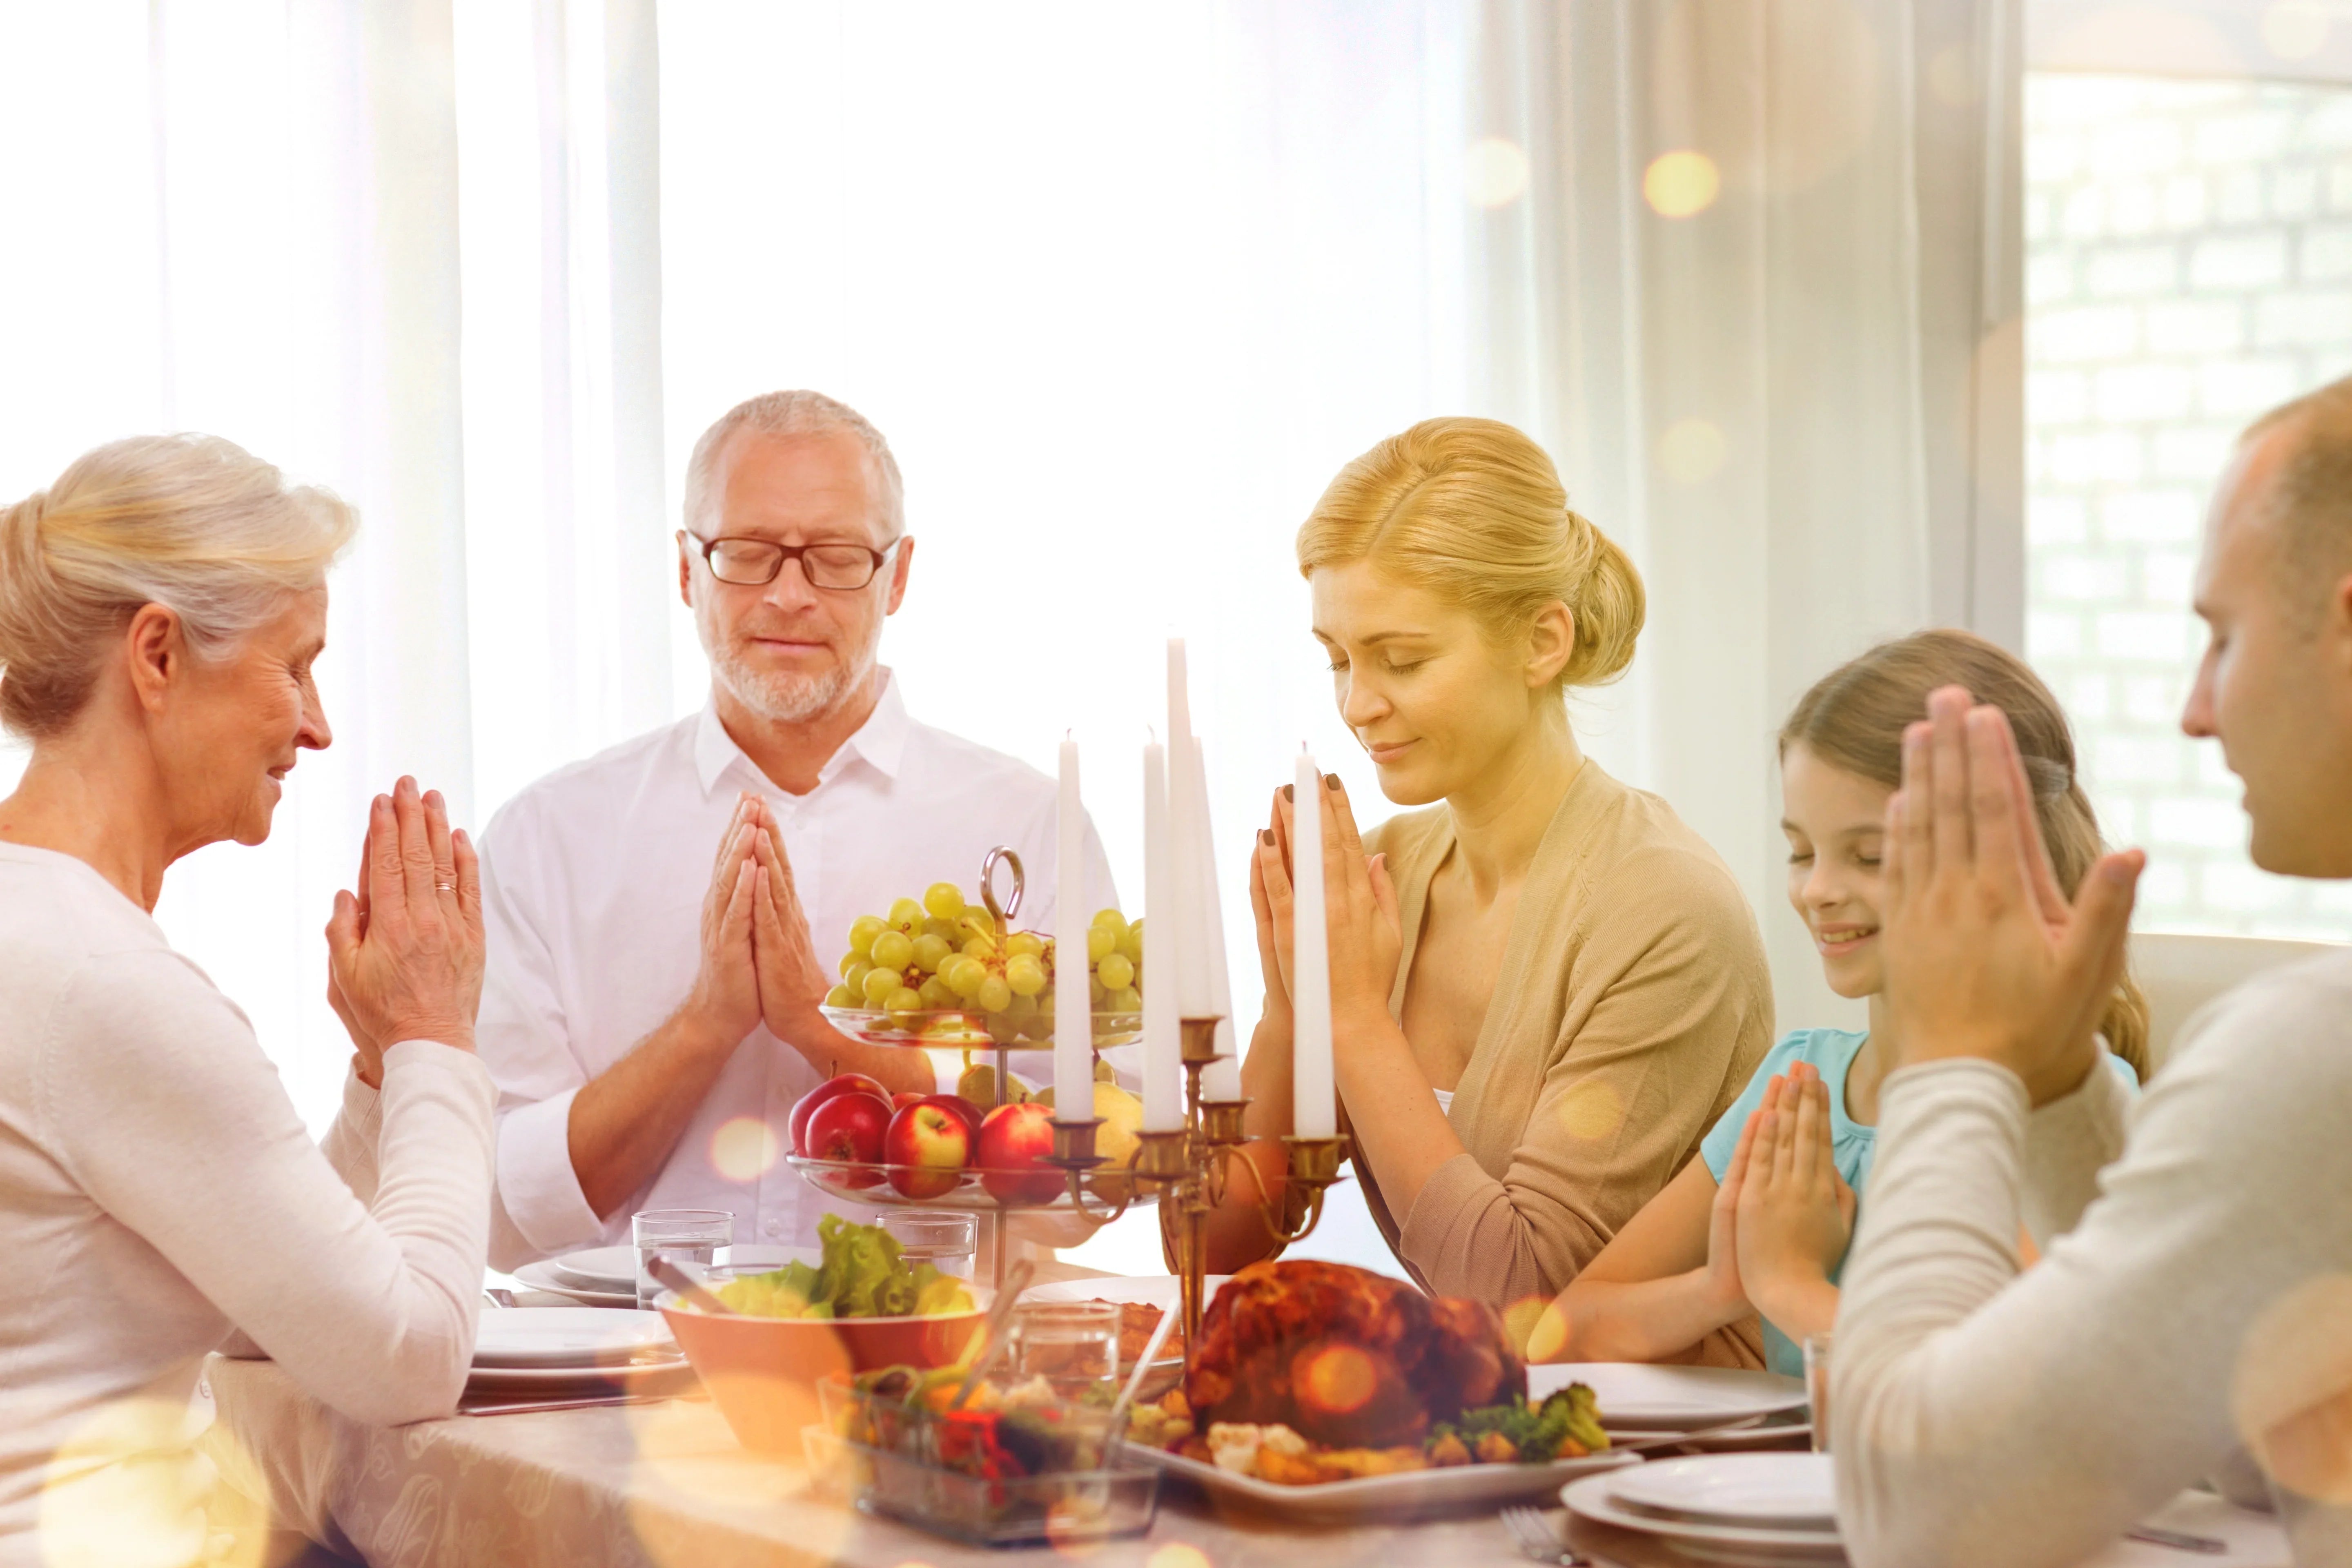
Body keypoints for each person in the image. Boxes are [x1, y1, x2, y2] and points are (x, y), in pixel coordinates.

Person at [1831, 377, 2352, 1566]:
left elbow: (1927, 1519)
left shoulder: (2324, 1044)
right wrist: (2061, 1093)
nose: (2195, 712)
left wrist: (1955, 1059)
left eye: (2224, 636)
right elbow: (2267, 1448)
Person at [479, 390, 1114, 1266]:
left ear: (897, 576)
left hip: (937, 1367)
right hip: (632, 1374)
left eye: (837, 557)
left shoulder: (1027, 823)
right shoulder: (547, 838)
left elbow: (1082, 1178)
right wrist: (706, 1025)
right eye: (746, 553)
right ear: (685, 570)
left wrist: (822, 1032)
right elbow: (516, 1204)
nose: (788, 595)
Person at [0, 436, 492, 1565]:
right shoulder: (97, 984)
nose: (317, 726)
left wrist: (380, 1077)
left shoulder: (42, 935)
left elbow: (270, 1293)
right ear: (159, 654)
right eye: (296, 666)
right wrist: (436, 1035)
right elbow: (409, 1360)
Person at [1207, 416, 1775, 1339]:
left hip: (1665, 1465)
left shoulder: (1666, 912)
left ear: (1543, 642)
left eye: (1404, 659)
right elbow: (1213, 1252)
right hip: (1477, 1442)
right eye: (1338, 661)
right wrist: (1288, 1009)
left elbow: (1527, 1305)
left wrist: (1352, 1018)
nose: (1358, 705)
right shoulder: (1387, 870)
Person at [1531, 630, 2145, 1374]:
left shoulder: (2062, 1111)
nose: (1818, 889)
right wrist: (1722, 1289)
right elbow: (1562, 1332)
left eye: (1870, 857)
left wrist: (1788, 1287)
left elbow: (2000, 1386)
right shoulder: (1803, 1084)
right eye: (1800, 851)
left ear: (2004, 861)